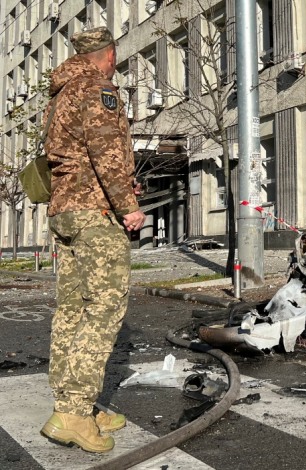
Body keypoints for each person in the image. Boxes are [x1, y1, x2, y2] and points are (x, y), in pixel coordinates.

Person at [39, 27, 146, 453]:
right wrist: (127, 206)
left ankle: (73, 402)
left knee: (71, 309)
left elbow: (71, 154)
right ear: (110, 54)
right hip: (95, 213)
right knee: (104, 307)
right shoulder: (98, 88)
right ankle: (74, 413)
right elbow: (106, 152)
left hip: (65, 210)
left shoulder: (61, 91)